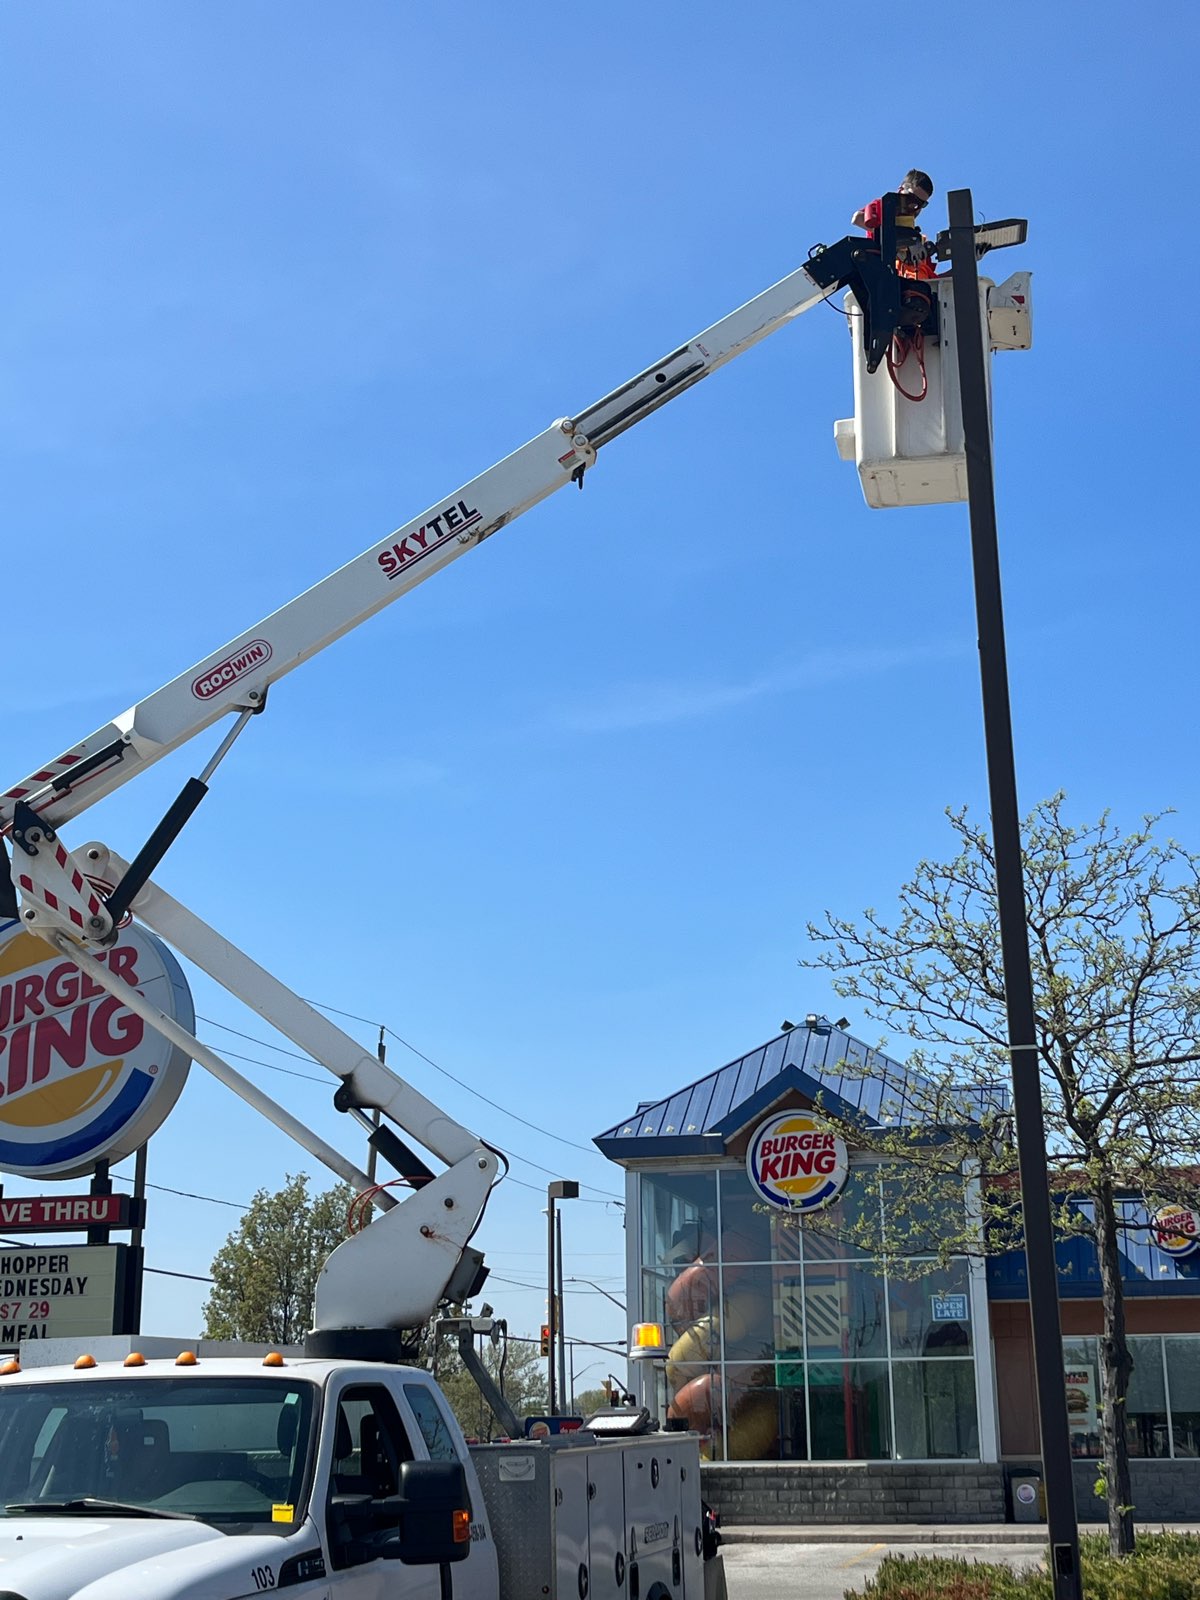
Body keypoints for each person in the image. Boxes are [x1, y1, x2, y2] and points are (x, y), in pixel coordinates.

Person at [852, 169, 938, 279]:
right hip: (883, 271)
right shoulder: (886, 207)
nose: (915, 207)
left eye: (921, 204)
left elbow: (932, 278)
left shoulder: (917, 239)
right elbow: (857, 218)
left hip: (911, 282)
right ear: (901, 190)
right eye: (912, 199)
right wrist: (897, 238)